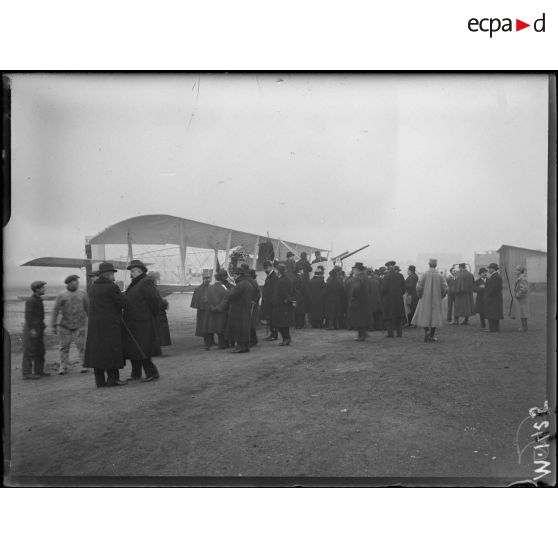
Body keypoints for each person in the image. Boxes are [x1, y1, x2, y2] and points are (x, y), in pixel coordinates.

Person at [83, 263, 128, 387]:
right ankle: (113, 379)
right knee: (111, 352)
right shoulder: (112, 286)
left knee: (98, 353)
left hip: (95, 327)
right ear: (108, 274)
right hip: (110, 326)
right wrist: (124, 295)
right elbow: (123, 303)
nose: (114, 276)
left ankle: (100, 381)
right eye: (113, 274)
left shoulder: (92, 288)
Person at [122, 260, 162, 382]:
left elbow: (154, 301)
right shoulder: (136, 283)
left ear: (140, 271)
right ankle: (136, 374)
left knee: (142, 348)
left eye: (132, 271)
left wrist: (150, 316)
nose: (131, 273)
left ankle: (152, 373)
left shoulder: (145, 282)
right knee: (135, 348)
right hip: (134, 322)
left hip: (143, 322)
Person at [51, 275, 90, 375]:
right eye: (74, 281)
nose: (76, 283)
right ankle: (63, 367)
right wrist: (53, 325)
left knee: (81, 346)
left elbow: (88, 308)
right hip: (65, 326)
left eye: (77, 281)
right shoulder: (61, 295)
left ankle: (83, 365)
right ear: (68, 283)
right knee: (64, 347)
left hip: (80, 324)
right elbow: (55, 310)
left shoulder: (83, 293)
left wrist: (92, 321)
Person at [411, 259, 448, 342]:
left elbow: (418, 287)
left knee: (425, 316)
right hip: (436, 300)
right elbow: (445, 288)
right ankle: (431, 335)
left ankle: (426, 331)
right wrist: (441, 296)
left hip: (425, 299)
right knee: (435, 317)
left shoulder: (424, 275)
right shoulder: (439, 276)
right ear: (436, 265)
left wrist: (420, 295)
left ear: (429, 264)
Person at [222, 266, 253, 353]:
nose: (234, 277)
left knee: (239, 329)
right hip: (245, 309)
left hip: (238, 310)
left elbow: (231, 295)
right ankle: (246, 347)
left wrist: (226, 290)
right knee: (245, 329)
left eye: (235, 275)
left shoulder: (241, 285)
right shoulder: (248, 283)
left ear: (239, 275)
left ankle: (240, 347)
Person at [21, 281, 48, 379]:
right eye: (42, 288)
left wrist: (42, 325)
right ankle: (26, 373)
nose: (44, 289)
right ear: (37, 289)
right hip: (32, 329)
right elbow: (28, 316)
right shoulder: (31, 300)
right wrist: (32, 329)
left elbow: (39, 315)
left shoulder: (38, 299)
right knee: (29, 351)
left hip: (39, 328)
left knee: (40, 350)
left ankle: (39, 371)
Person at [381, 260, 406, 338]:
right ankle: (399, 334)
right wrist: (399, 294)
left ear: (388, 267)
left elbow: (383, 289)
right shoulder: (400, 276)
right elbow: (404, 288)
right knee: (399, 317)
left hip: (389, 300)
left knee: (389, 317)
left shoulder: (386, 276)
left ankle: (390, 334)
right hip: (398, 300)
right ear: (394, 267)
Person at [206, 270, 232, 349]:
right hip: (222, 311)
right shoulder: (226, 288)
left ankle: (209, 344)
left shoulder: (209, 288)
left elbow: (205, 300)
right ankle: (223, 344)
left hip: (212, 311)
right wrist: (218, 308)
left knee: (212, 327)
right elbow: (226, 300)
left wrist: (212, 308)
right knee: (222, 328)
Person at [147, 271, 172, 348]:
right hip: (157, 313)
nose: (156, 281)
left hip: (156, 312)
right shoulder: (152, 288)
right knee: (159, 331)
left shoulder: (151, 287)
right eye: (156, 279)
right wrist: (164, 302)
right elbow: (156, 300)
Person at [272, 262, 295, 345]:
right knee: (282, 323)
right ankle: (286, 338)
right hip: (282, 304)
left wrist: (286, 300)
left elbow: (285, 293)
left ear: (278, 271)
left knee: (283, 323)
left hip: (282, 305)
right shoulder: (285, 279)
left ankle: (286, 339)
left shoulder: (282, 281)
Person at [347, 262, 370, 341]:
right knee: (362, 319)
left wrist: (353, 296)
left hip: (358, 301)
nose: (353, 271)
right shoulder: (365, 277)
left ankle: (361, 336)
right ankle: (363, 334)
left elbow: (356, 288)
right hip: (364, 301)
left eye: (354, 269)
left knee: (359, 319)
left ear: (357, 270)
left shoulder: (359, 278)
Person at [190, 270, 213, 349]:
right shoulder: (198, 289)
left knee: (211, 326)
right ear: (203, 279)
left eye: (209, 278)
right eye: (206, 278)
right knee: (204, 326)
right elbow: (196, 302)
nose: (208, 280)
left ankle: (212, 341)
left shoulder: (212, 287)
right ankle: (207, 341)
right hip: (203, 311)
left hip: (211, 310)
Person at [261, 260, 279, 341]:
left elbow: (275, 290)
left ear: (271, 267)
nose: (265, 270)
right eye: (264, 268)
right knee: (270, 318)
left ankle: (274, 335)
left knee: (273, 319)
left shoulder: (274, 276)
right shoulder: (269, 276)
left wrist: (273, 302)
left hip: (272, 302)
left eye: (266, 268)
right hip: (268, 301)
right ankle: (272, 334)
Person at [484, 262, 504, 332]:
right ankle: (495, 328)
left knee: (492, 313)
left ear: (493, 269)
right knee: (495, 314)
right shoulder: (496, 276)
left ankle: (492, 328)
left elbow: (492, 288)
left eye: (489, 268)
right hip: (496, 298)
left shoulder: (495, 277)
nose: (489, 270)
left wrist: (487, 294)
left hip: (493, 298)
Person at [511, 266, 531, 331]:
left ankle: (524, 327)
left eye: (517, 270)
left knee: (524, 312)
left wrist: (517, 295)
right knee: (523, 312)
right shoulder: (521, 278)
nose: (515, 271)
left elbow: (524, 289)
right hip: (522, 298)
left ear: (520, 271)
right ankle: (524, 327)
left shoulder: (523, 279)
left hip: (523, 298)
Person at [246, 267, 261, 346]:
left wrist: (254, 301)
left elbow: (257, 294)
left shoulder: (251, 282)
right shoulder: (254, 282)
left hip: (252, 305)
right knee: (251, 324)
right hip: (254, 305)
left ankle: (252, 340)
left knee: (250, 323)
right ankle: (254, 339)